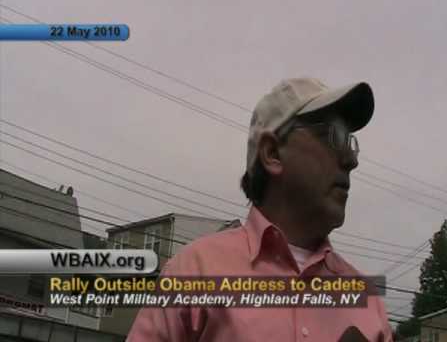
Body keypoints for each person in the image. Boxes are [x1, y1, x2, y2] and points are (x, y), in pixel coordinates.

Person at [127, 78, 393, 341]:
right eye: (334, 136)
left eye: (351, 142)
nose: (352, 159)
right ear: (272, 153)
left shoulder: (367, 301)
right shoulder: (193, 272)